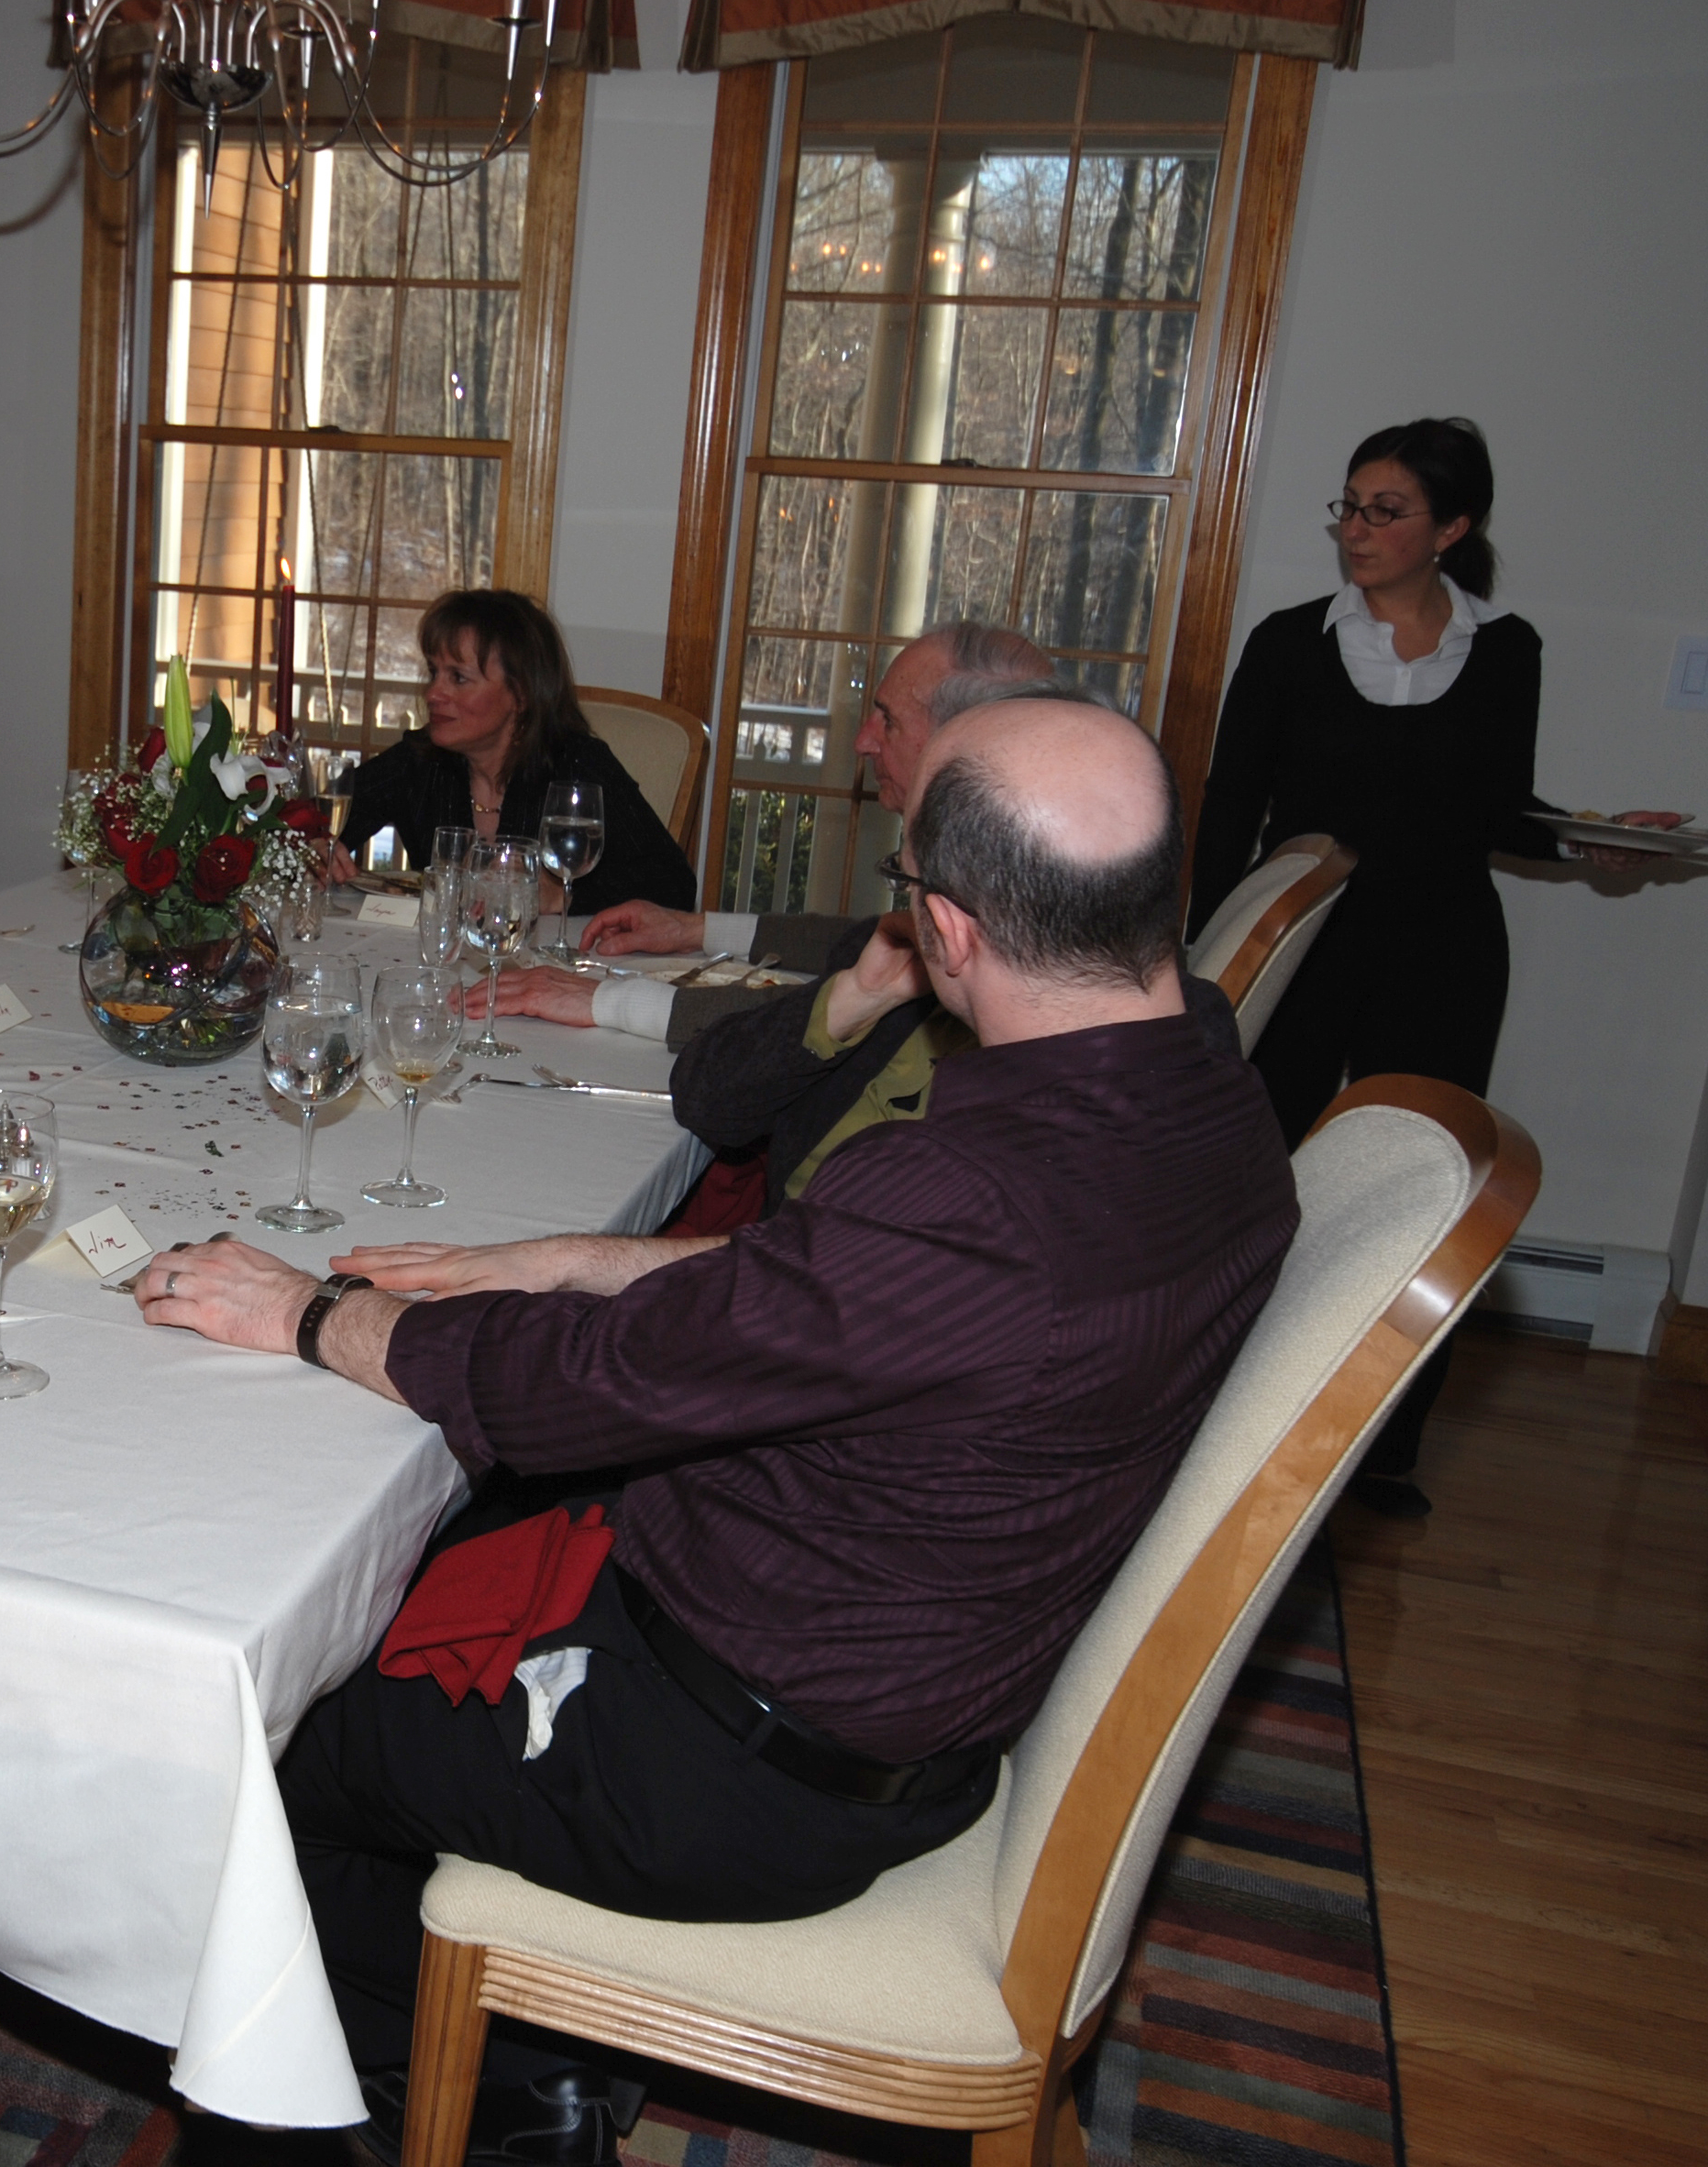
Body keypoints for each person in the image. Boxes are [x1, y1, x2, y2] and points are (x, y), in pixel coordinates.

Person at [131, 696, 1296, 2162]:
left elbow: (580, 1393)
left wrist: (309, 1315)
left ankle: (472, 2084)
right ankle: (540, 2071)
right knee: (405, 1536)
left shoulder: (970, 1194)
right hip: (900, 1682)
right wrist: (568, 1255)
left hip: (725, 1769)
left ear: (947, 930)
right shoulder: (1212, 1088)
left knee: (250, 1745)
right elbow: (830, 1301)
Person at [1191, 416, 1684, 1516]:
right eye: (1349, 507)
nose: (1355, 530)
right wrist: (1206, 964)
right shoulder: (1286, 642)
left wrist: (1593, 838)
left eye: (1385, 511)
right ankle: (1200, 1410)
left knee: (1417, 1192)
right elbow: (1229, 810)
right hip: (1301, 948)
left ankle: (1379, 1448)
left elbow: (1494, 811)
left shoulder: (1507, 650)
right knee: (1250, 1181)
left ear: (1451, 529)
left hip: (1444, 954)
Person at [509, 620, 1053, 1047]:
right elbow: (865, 941)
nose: (863, 742)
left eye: (887, 720)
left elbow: (819, 1018)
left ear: (960, 739)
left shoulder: (998, 894)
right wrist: (695, 929)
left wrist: (609, 1001)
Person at [331, 589, 692, 918]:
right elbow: (324, 818)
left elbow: (674, 884)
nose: (433, 694)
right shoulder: (421, 759)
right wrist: (315, 845)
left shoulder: (578, 764)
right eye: (434, 672)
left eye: (458, 678)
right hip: (441, 956)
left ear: (521, 694)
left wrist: (560, 896)